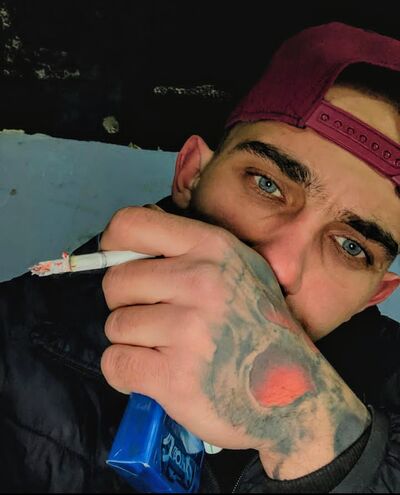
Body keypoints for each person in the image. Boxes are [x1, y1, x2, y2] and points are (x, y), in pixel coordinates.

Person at [1, 21, 400, 493]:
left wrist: (319, 440)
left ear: (373, 295)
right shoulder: (14, 343)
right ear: (191, 175)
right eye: (267, 184)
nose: (278, 267)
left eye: (352, 247)